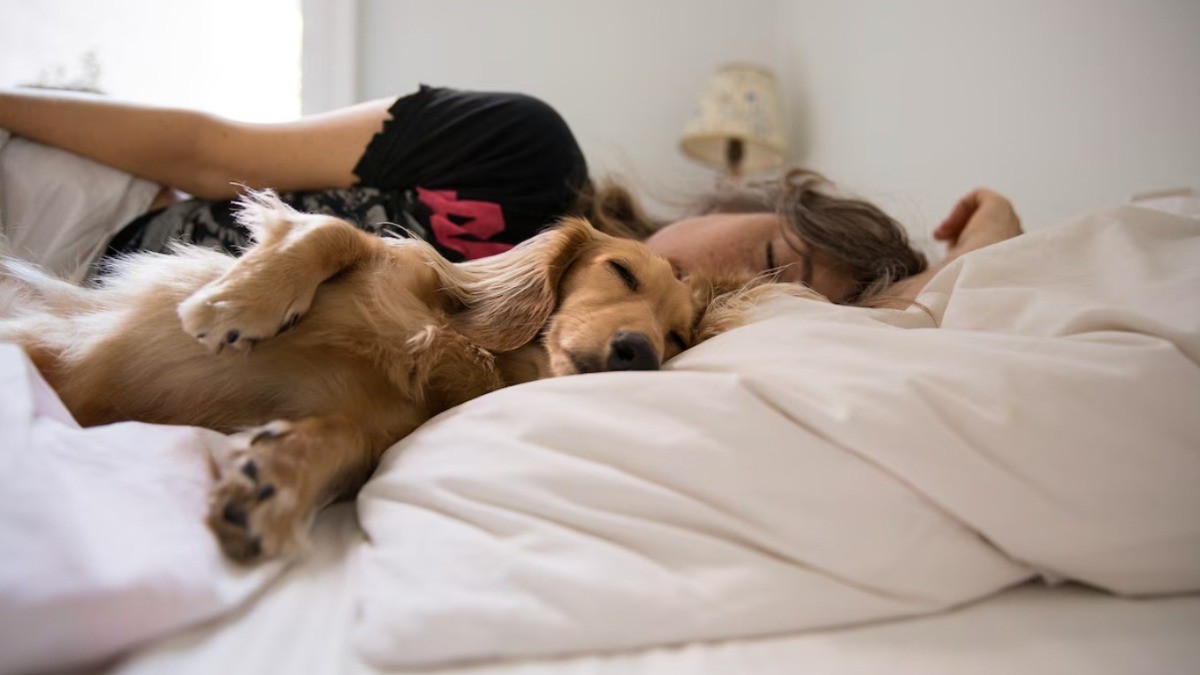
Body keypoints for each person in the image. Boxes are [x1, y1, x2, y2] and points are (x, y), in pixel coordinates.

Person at [0, 85, 1022, 306]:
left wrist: (990, 251)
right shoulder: (521, 149)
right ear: (735, 198)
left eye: (777, 296)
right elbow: (215, 148)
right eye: (763, 255)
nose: (726, 281)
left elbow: (907, 340)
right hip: (102, 212)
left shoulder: (610, 346)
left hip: (92, 320)